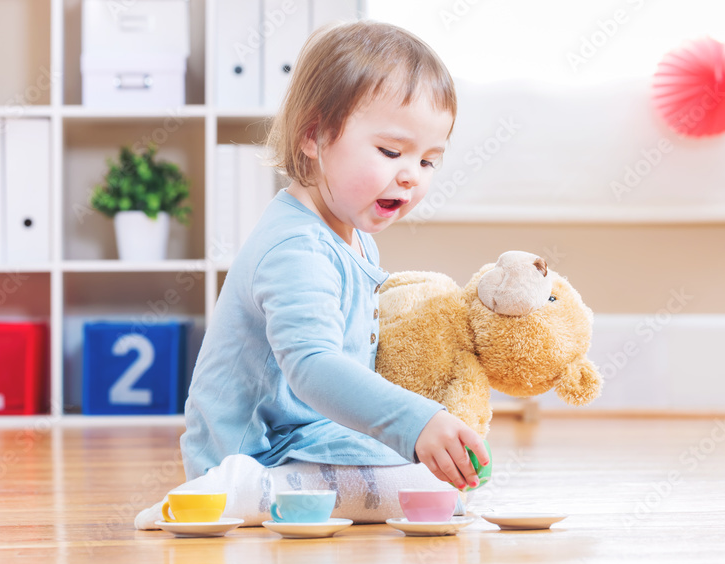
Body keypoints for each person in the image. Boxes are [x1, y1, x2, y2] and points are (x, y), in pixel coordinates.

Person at [136, 20, 488, 529]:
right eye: (391, 152)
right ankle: (228, 494)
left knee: (439, 482)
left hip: (309, 436)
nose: (411, 175)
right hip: (259, 451)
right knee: (428, 490)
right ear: (313, 136)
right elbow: (314, 366)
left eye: (429, 160)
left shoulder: (350, 232)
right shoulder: (296, 246)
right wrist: (417, 422)